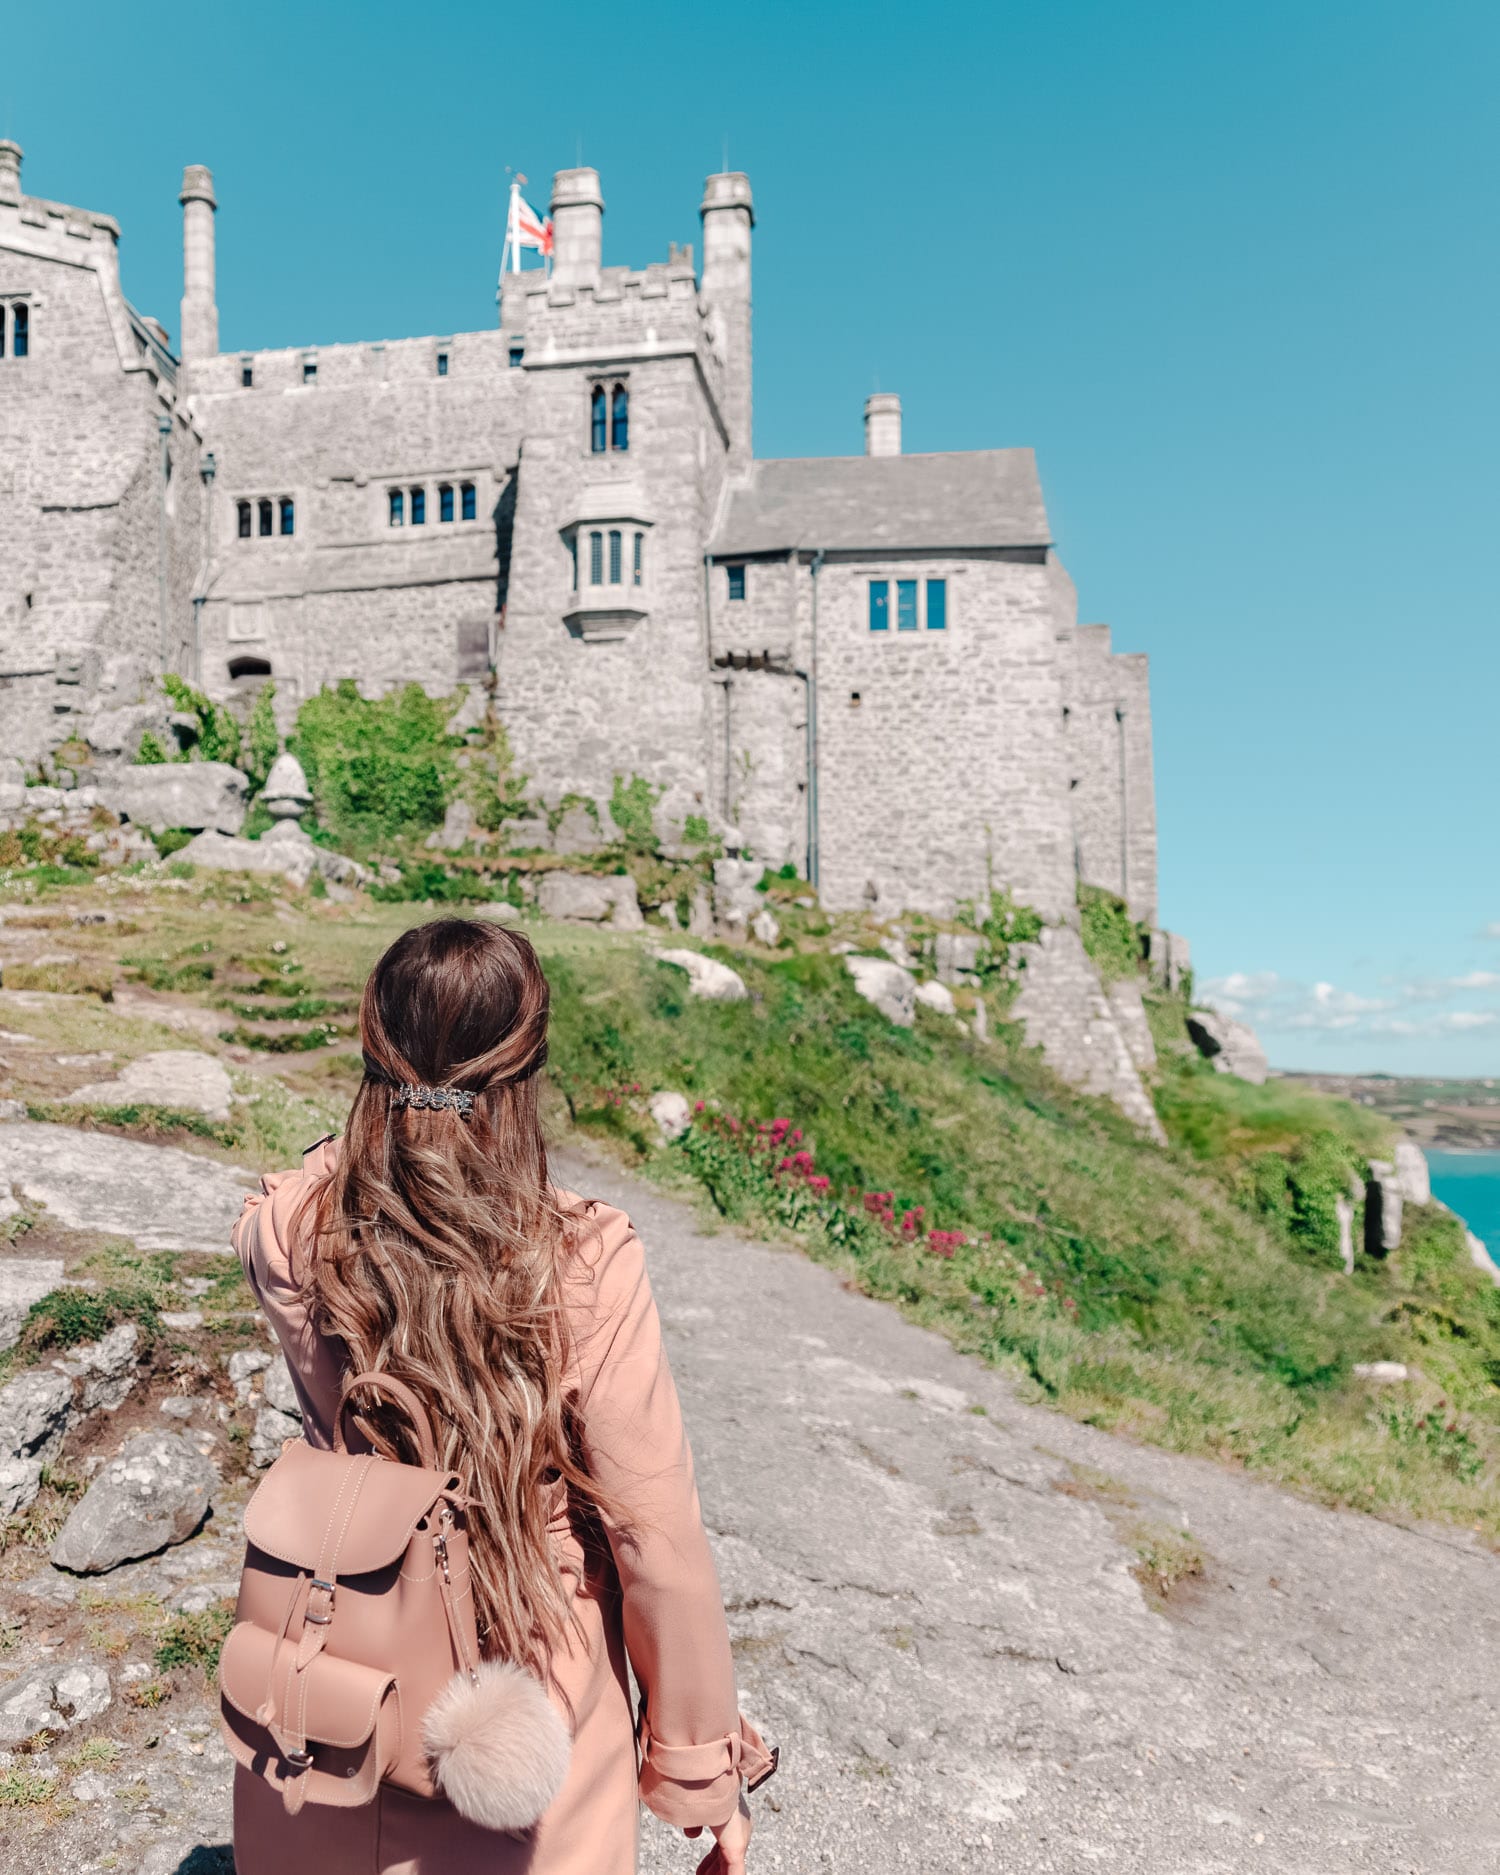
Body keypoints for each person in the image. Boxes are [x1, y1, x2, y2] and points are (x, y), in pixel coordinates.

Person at [231, 916, 775, 1874]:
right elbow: (658, 1540)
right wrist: (702, 1771)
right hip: (530, 1682)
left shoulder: (288, 1229)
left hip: (343, 1677)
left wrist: (392, 1115)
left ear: (373, 1054)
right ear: (523, 1079)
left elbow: (317, 1178)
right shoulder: (583, 1257)